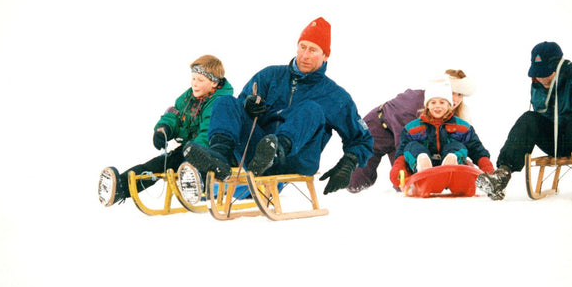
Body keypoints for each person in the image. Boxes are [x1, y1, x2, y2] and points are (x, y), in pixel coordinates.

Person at [183, 17, 373, 194]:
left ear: (325, 56)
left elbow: (361, 139)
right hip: (256, 154)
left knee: (312, 109)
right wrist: (248, 105)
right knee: (225, 102)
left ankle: (276, 149)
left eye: (313, 50)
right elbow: (236, 112)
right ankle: (218, 157)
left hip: (296, 158)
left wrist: (347, 164)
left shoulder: (335, 96)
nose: (305, 55)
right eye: (302, 47)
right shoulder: (270, 76)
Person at [475, 41, 572, 200]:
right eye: (538, 73)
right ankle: (502, 174)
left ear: (559, 68)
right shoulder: (538, 86)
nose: (541, 78)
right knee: (528, 118)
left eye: (546, 73)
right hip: (554, 142)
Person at [98, 54, 234, 206]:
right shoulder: (189, 97)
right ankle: (121, 187)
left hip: (207, 153)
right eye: (193, 78)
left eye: (200, 80)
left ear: (214, 83)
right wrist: (164, 129)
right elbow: (174, 114)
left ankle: (195, 187)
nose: (194, 84)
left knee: (183, 166)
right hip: (189, 148)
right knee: (156, 165)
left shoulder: (220, 103)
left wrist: (194, 152)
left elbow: (207, 132)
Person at [348, 69, 477, 193]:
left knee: (405, 183)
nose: (455, 99)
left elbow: (455, 143)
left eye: (460, 94)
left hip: (398, 137)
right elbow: (407, 144)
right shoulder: (414, 105)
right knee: (356, 183)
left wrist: (466, 166)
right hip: (376, 131)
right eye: (452, 92)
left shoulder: (446, 110)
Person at [388, 76, 495, 189]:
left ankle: (451, 163)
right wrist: (398, 171)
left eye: (442, 102)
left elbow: (477, 150)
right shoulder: (411, 128)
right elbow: (401, 154)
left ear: (449, 105)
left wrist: (489, 172)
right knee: (412, 147)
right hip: (420, 173)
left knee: (458, 146)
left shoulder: (462, 127)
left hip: (452, 173)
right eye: (433, 102)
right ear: (427, 105)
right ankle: (423, 164)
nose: (437, 106)